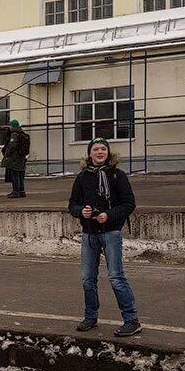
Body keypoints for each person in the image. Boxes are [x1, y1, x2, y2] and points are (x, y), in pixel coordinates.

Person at [68, 138, 140, 337]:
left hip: (111, 233)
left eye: (103, 149)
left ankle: (132, 320)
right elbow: (72, 204)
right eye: (95, 149)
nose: (100, 152)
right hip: (89, 234)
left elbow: (128, 204)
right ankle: (91, 316)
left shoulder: (118, 176)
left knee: (116, 277)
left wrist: (109, 215)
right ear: (89, 153)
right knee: (87, 279)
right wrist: (82, 211)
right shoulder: (83, 177)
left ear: (108, 152)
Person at [1, 119, 29, 198]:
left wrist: (7, 154)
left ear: (12, 126)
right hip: (21, 157)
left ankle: (16, 191)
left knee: (15, 175)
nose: (9, 127)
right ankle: (21, 191)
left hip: (14, 158)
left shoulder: (14, 134)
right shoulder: (22, 133)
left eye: (10, 126)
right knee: (20, 175)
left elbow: (12, 145)